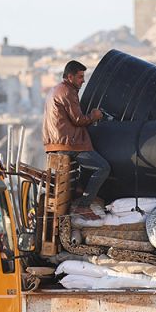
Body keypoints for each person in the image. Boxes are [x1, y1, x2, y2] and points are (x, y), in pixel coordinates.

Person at [42, 60, 109, 219]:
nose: (83, 80)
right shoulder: (68, 91)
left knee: (86, 165)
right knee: (103, 168)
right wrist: (95, 115)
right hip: (68, 142)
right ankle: (84, 205)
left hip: (56, 141)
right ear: (70, 76)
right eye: (80, 77)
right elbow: (79, 120)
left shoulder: (56, 89)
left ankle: (80, 190)